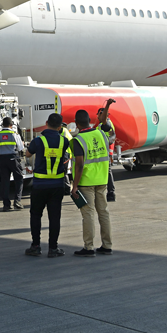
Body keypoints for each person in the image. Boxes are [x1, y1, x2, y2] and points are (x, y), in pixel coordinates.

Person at [23, 113, 71, 258]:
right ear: (60, 126)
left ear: (46, 122)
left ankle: (36, 246)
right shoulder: (64, 142)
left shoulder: (38, 141)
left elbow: (28, 154)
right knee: (54, 217)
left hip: (39, 185)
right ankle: (53, 248)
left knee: (36, 215)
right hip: (57, 185)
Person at [70, 109, 112, 257]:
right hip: (102, 179)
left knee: (88, 214)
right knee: (103, 212)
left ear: (76, 123)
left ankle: (89, 247)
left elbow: (79, 165)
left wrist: (74, 186)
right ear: (89, 120)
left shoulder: (77, 140)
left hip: (86, 181)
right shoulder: (101, 134)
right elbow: (111, 135)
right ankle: (107, 245)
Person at [0, 117, 24, 211]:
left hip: (2, 159)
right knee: (19, 179)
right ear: (11, 125)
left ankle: (6, 205)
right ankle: (17, 201)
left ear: (2, 125)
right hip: (13, 158)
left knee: (4, 182)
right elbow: (21, 148)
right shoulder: (14, 134)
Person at [97, 107, 117, 202]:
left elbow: (110, 139)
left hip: (104, 152)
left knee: (107, 173)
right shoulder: (103, 124)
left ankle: (110, 193)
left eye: (99, 114)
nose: (97, 116)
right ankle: (110, 192)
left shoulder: (106, 123)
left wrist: (108, 104)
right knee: (107, 173)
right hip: (105, 152)